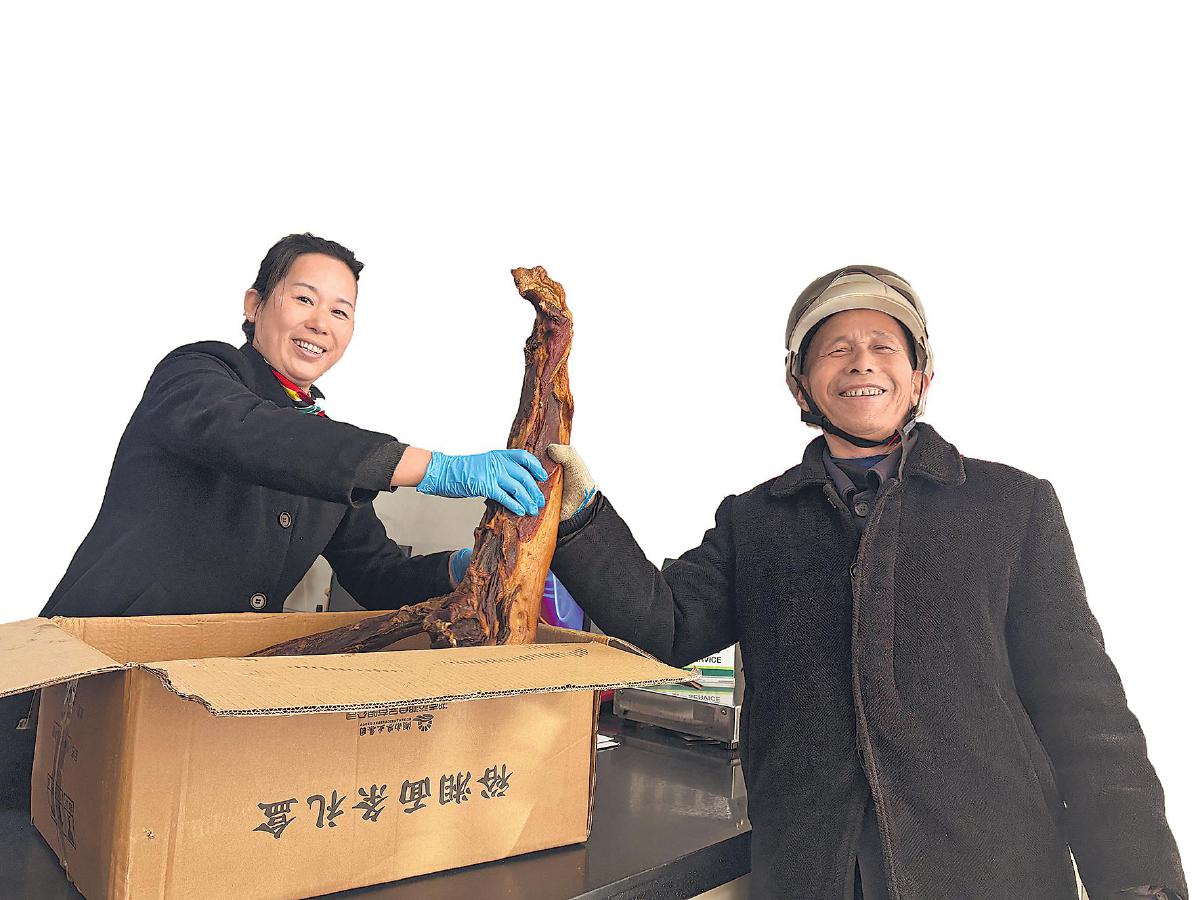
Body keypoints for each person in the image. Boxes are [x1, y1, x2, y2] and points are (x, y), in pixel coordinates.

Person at [545, 265, 1187, 900]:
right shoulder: (757, 520)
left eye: (884, 346)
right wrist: (577, 516)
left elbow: (1085, 711)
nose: (861, 362)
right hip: (811, 872)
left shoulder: (1011, 507)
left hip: (991, 869)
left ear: (921, 377)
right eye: (836, 349)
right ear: (799, 384)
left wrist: (1140, 884)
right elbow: (667, 623)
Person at [1, 232, 548, 807]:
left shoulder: (324, 446)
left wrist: (463, 568)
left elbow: (379, 576)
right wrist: (433, 468)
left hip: (201, 703)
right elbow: (252, 435)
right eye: (304, 299)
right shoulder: (198, 373)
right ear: (254, 305)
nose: (320, 323)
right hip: (92, 675)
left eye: (340, 311)